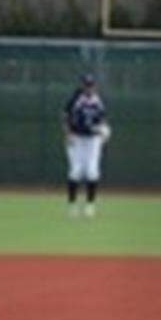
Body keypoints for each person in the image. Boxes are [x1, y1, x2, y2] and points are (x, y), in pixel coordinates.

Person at [62, 73, 110, 218]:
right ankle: (72, 206)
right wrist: (67, 133)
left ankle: (90, 205)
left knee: (92, 171)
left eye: (91, 85)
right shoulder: (75, 99)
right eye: (86, 85)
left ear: (95, 86)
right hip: (76, 138)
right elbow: (65, 117)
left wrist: (103, 132)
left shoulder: (98, 101)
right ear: (82, 85)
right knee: (75, 171)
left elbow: (102, 120)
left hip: (93, 140)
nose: (89, 88)